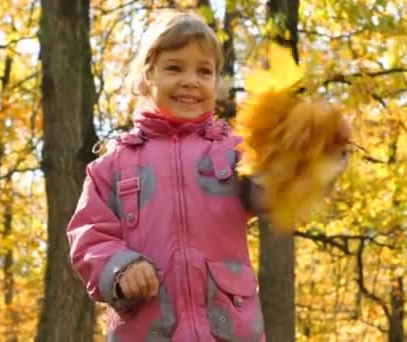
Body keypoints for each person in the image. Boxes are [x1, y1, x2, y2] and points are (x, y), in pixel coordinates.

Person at [67, 9, 264, 341]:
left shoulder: (235, 154)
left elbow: (277, 190)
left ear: (217, 81)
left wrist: (312, 158)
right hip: (147, 330)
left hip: (230, 330)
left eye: (205, 71)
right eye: (174, 68)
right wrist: (120, 267)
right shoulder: (113, 166)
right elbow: (89, 235)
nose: (191, 80)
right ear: (147, 76)